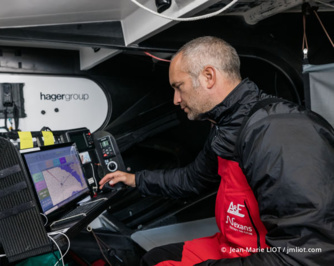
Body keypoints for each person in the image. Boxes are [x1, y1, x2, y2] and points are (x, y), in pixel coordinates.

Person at [99, 36, 334, 265]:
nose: (176, 99)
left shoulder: (280, 132)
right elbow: (191, 179)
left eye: (178, 87)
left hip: (269, 254)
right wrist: (134, 179)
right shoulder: (225, 124)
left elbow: (307, 253)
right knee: (155, 258)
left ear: (208, 76)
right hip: (231, 245)